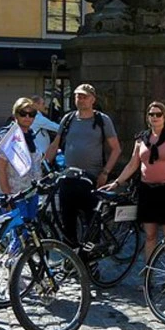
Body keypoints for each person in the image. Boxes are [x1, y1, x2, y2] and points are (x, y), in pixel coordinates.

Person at [104, 101, 165, 261]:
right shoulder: (141, 139)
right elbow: (133, 164)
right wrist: (117, 182)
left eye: (158, 114)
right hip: (147, 190)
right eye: (151, 114)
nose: (154, 117)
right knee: (150, 235)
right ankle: (148, 276)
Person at [45, 83, 122, 246]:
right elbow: (55, 145)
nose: (80, 99)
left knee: (91, 222)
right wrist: (43, 165)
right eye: (77, 96)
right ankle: (71, 260)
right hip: (68, 177)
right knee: (67, 221)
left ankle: (91, 263)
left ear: (93, 99)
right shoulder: (68, 119)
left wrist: (106, 172)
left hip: (91, 177)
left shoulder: (102, 120)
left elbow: (116, 149)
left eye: (84, 96)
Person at [0, 98, 42, 253]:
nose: (27, 117)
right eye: (23, 113)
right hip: (14, 193)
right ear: (15, 114)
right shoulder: (7, 136)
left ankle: (22, 265)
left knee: (29, 234)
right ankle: (12, 265)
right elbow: (0, 169)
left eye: (32, 114)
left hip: (31, 192)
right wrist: (7, 196)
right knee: (20, 235)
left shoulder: (31, 135)